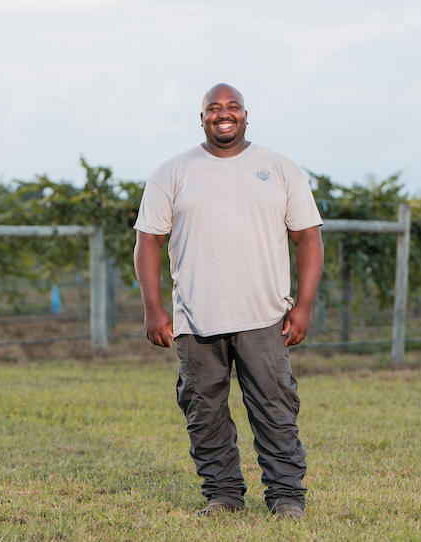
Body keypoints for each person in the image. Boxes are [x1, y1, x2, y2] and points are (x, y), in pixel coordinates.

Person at [133, 83, 324, 520]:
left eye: (232, 107)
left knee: (275, 409)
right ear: (200, 118)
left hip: (264, 315)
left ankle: (286, 497)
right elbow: (148, 241)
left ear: (245, 115)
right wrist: (153, 308)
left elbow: (308, 237)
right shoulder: (172, 171)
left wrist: (304, 306)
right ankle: (223, 496)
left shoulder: (279, 168)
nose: (224, 114)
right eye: (213, 108)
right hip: (195, 318)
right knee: (204, 409)